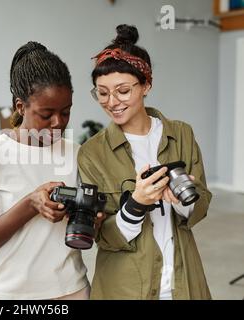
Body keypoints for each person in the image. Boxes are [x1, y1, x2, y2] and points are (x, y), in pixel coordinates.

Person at [78, 24, 212, 300]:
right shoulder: (92, 153)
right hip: (125, 288)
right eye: (102, 93)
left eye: (123, 91)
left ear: (147, 85)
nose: (112, 102)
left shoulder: (181, 134)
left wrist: (183, 202)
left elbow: (201, 206)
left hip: (183, 283)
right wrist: (137, 203)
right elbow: (102, 236)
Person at [0, 41, 96, 299]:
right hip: (7, 294)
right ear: (20, 106)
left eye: (66, 112)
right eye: (46, 114)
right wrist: (31, 204)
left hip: (71, 290)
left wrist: (95, 218)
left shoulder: (76, 153)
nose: (58, 122)